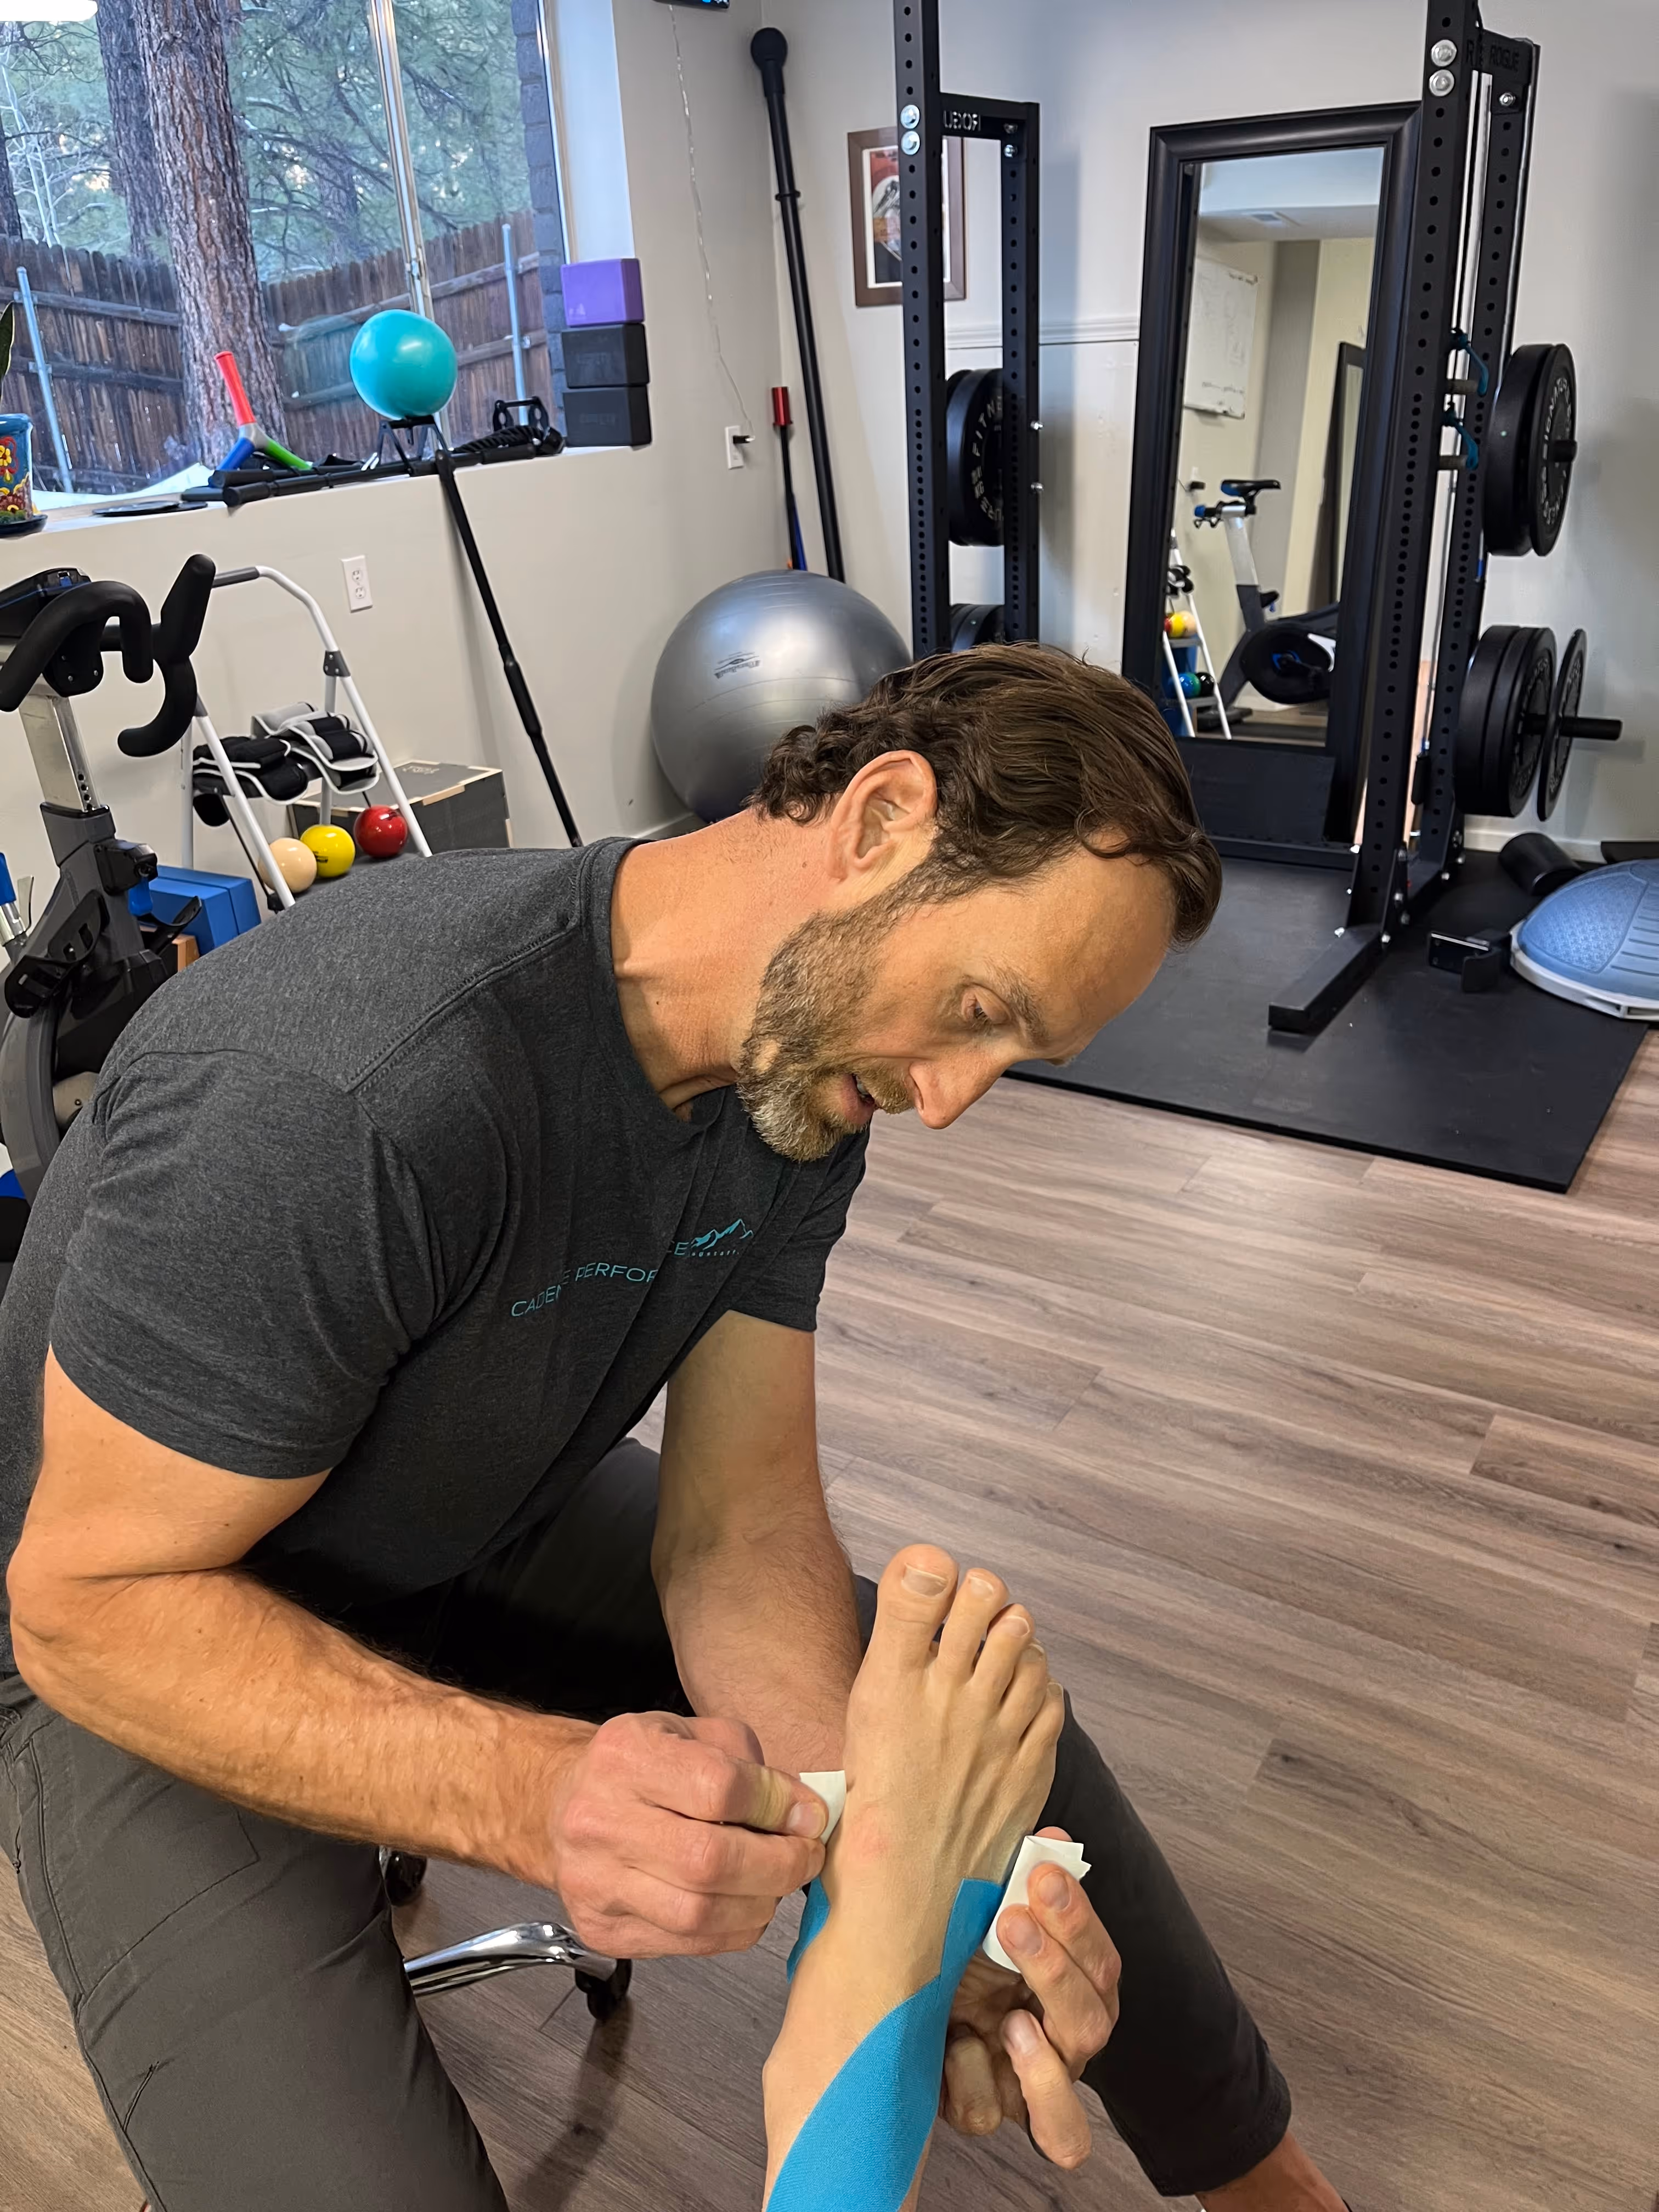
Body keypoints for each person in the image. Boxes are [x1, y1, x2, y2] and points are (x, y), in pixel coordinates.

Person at [0, 642, 1347, 2211]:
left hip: (466, 1515)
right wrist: (533, 1792)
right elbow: (81, 1607)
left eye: (1014, 1057)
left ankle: (1273, 2188)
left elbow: (740, 1527)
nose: (956, 1097)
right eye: (980, 1009)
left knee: (973, 1746)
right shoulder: (349, 1090)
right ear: (882, 819)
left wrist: (891, 1857)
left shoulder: (800, 1078)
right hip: (136, 1638)